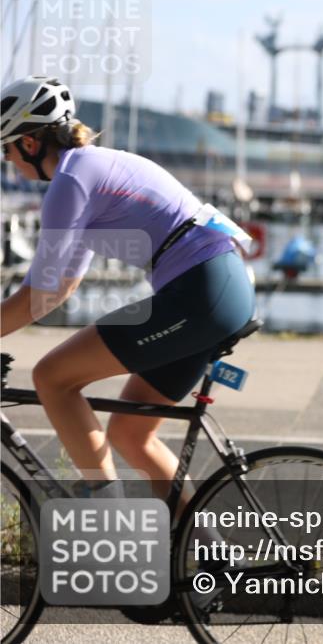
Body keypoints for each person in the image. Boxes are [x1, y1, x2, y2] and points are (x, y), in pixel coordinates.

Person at [0, 76, 256, 503]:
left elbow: (35, 294)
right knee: (132, 434)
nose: (7, 162)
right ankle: (214, 555)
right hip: (217, 288)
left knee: (52, 377)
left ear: (29, 144)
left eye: (4, 150)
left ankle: (107, 518)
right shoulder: (90, 169)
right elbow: (57, 289)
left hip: (201, 292)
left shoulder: (71, 181)